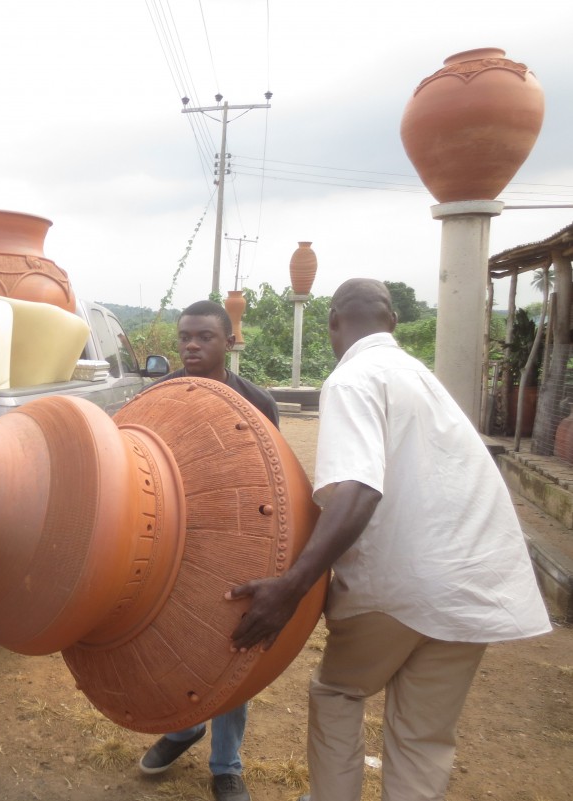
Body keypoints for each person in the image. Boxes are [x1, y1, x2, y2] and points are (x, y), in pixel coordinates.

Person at [226, 278, 552, 801]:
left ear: (333, 323)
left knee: (338, 691)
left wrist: (291, 587)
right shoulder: (420, 378)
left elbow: (357, 489)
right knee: (422, 735)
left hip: (404, 583)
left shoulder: (353, 378)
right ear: (394, 322)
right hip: (475, 584)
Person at [138, 299, 277, 801]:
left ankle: (226, 764)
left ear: (229, 342)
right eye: (184, 338)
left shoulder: (257, 403)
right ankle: (183, 729)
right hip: (172, 538)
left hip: (235, 541)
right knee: (172, 640)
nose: (191, 346)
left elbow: (272, 479)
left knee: (230, 646)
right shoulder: (159, 396)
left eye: (204, 337)